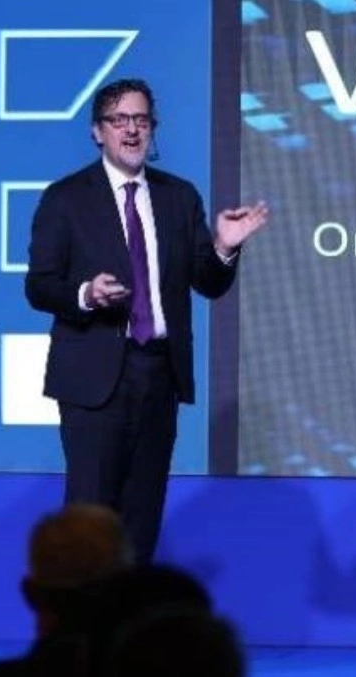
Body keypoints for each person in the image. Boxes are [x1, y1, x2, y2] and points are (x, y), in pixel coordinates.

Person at [24, 78, 268, 563]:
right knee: (90, 520)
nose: (131, 130)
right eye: (119, 120)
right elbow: (39, 285)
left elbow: (208, 282)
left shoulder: (179, 197)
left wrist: (224, 247)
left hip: (158, 375)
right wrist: (86, 294)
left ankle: (129, 612)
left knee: (142, 515)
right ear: (98, 132)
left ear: (152, 128)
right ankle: (82, 612)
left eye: (140, 119)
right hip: (95, 380)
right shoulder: (66, 198)